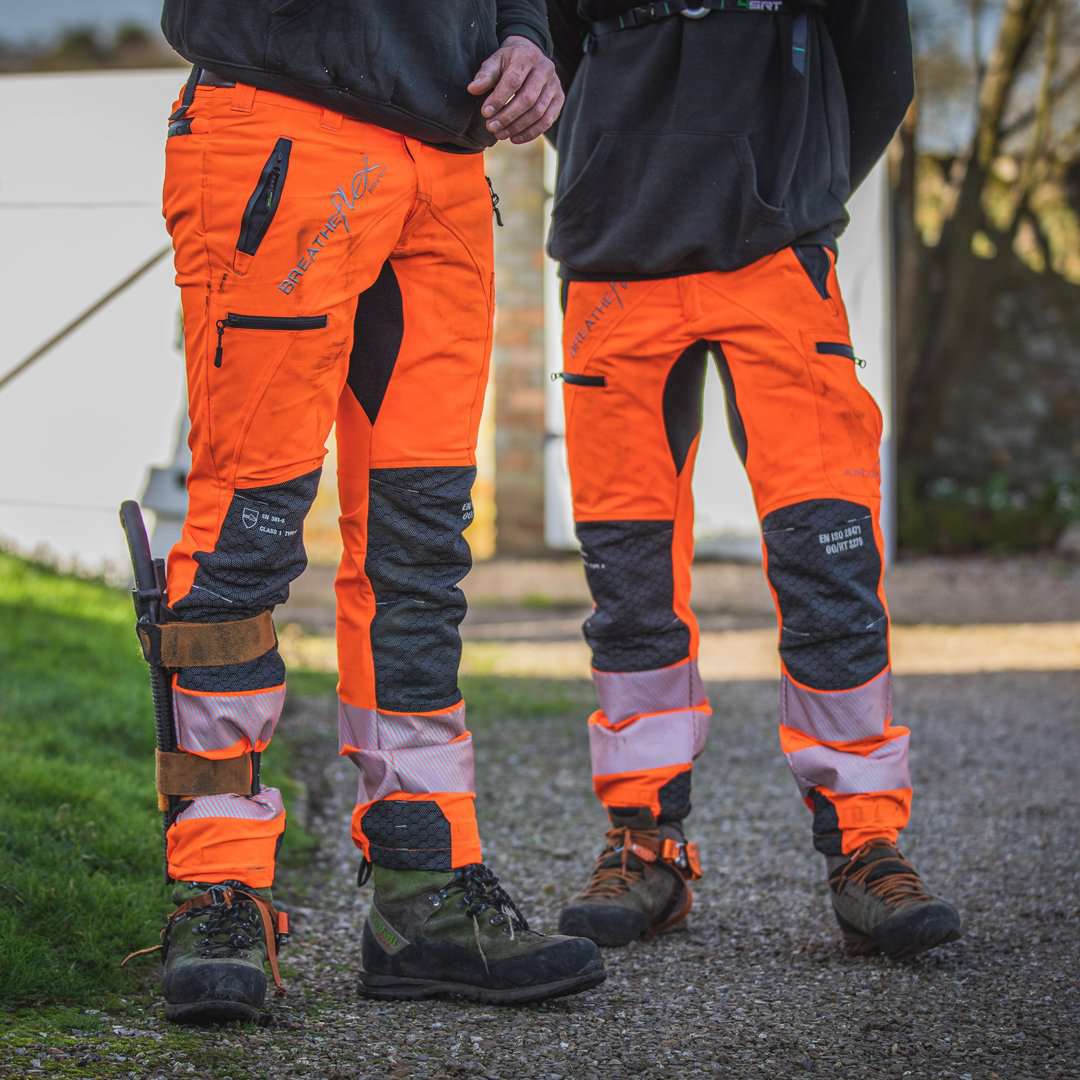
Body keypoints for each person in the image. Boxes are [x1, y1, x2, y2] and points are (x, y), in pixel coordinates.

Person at [144, 0, 603, 1022]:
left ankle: (423, 892)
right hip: (282, 125)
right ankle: (218, 888)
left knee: (419, 552)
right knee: (247, 530)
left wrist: (528, 35)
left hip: (447, 164)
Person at [545, 0, 962, 959]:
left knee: (828, 558)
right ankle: (644, 841)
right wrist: (618, 164)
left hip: (779, 257)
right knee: (628, 575)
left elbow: (880, 69)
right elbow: (556, 56)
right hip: (615, 259)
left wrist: (793, 186)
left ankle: (866, 845)